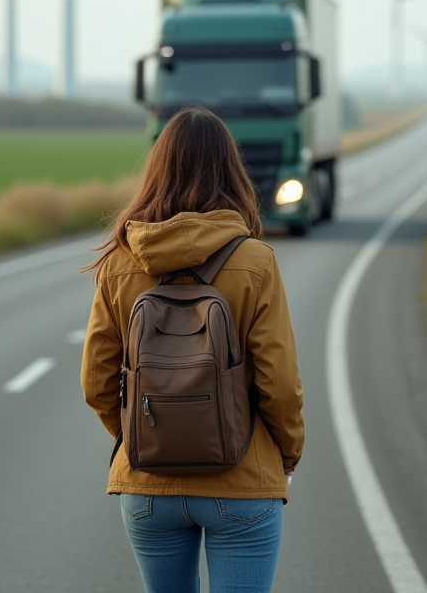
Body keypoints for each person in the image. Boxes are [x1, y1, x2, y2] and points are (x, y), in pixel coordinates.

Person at [81, 106, 305, 593]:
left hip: (148, 488)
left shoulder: (120, 260)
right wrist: (286, 455)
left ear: (156, 171)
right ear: (232, 172)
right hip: (242, 481)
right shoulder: (255, 261)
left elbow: (96, 382)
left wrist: (145, 437)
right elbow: (279, 383)